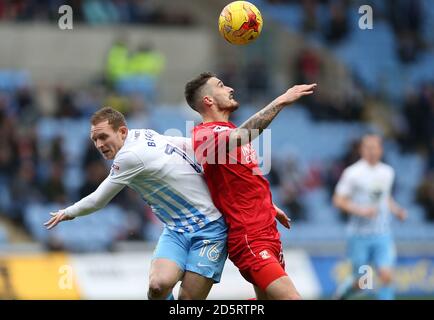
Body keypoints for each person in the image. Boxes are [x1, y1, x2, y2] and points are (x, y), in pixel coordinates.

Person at [44, 107, 228, 300]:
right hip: (176, 229)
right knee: (157, 287)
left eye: (104, 137)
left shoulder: (129, 156)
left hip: (209, 229)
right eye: (95, 140)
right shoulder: (142, 133)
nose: (99, 144)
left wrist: (68, 212)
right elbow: (184, 144)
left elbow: (98, 200)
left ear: (122, 132)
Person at [184, 72, 317, 300]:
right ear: (208, 100)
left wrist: (269, 206)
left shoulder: (228, 131)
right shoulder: (204, 135)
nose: (230, 88)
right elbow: (243, 135)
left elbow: (240, 181)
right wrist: (281, 100)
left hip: (268, 232)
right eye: (221, 85)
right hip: (249, 237)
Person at [332, 134, 407, 300]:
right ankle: (342, 293)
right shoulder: (352, 173)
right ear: (361, 150)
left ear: (381, 150)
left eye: (375, 147)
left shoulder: (387, 172)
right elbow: (338, 200)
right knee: (362, 282)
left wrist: (397, 210)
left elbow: (385, 197)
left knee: (386, 275)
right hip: (359, 235)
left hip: (382, 234)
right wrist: (360, 210)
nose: (372, 151)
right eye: (368, 147)